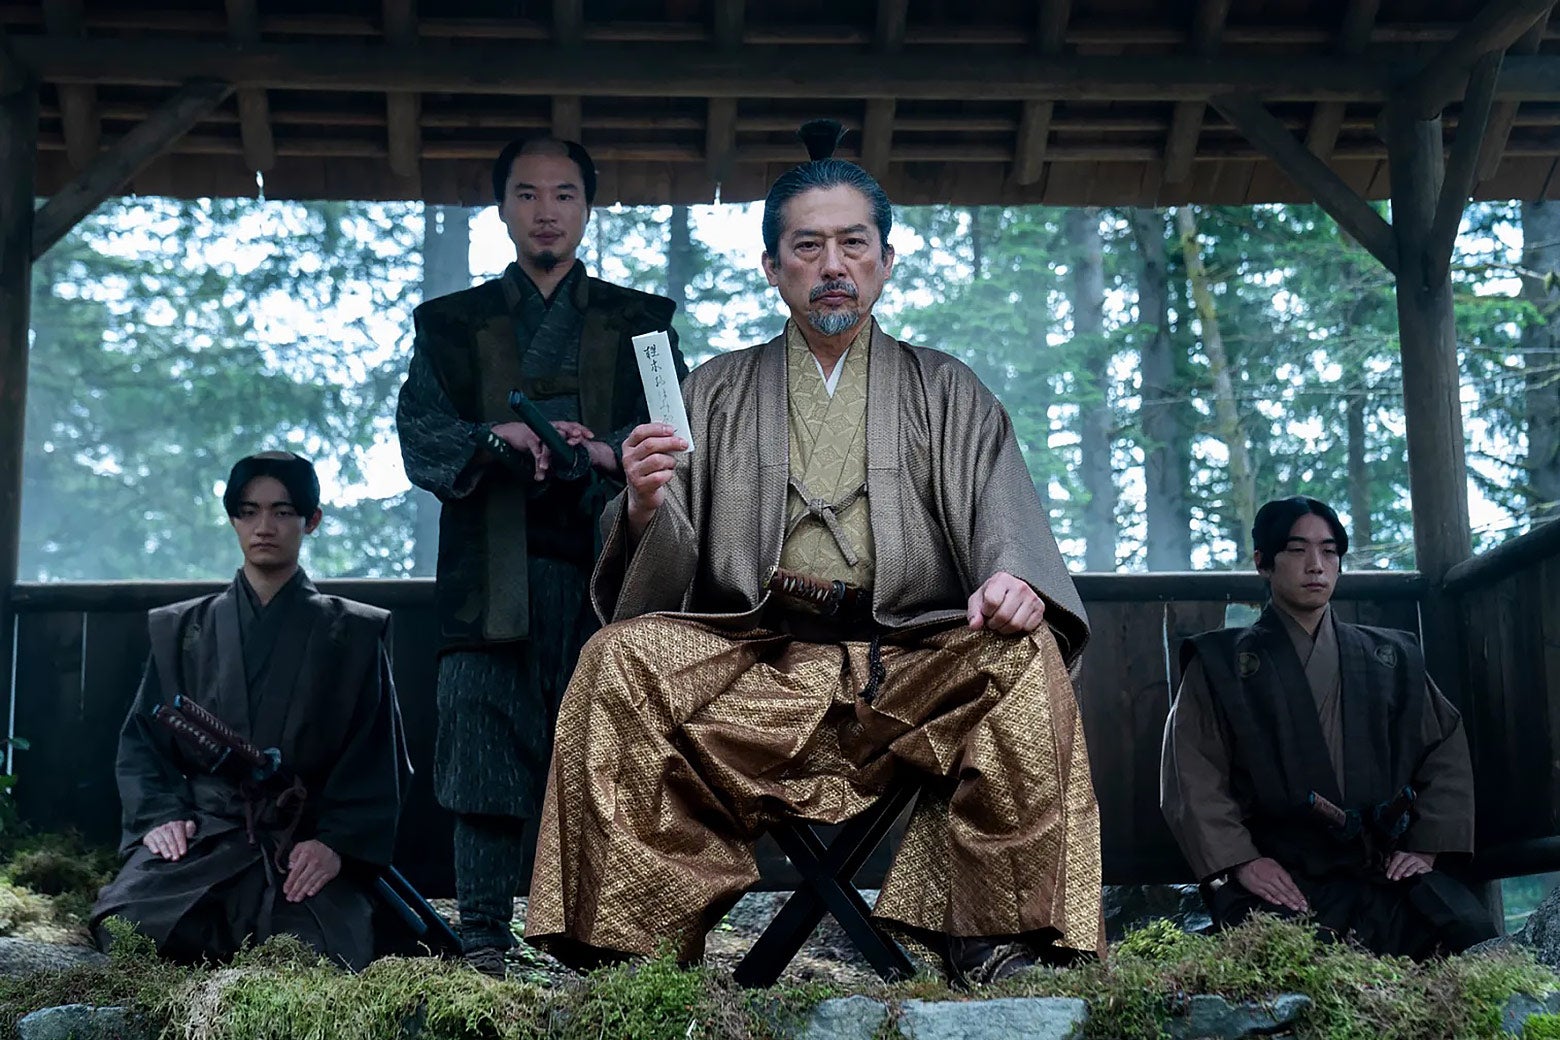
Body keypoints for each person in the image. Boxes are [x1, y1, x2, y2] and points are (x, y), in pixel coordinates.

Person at [523, 122, 1103, 986]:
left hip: (908, 660)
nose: (833, 264)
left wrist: (1014, 582)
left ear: (885, 260)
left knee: (1026, 653)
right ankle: (632, 946)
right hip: (756, 658)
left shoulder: (947, 389)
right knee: (616, 660)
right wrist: (644, 507)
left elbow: (1003, 529)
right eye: (808, 246)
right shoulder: (713, 390)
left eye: (853, 244)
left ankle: (996, 935)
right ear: (773, 268)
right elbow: (658, 579)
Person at [395, 136, 686, 975]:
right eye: (527, 194)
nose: (546, 211)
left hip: (607, 572)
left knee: (608, 750)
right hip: (490, 577)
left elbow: (678, 430)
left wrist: (610, 452)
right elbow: (421, 436)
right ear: (504, 209)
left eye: (563, 194)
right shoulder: (449, 326)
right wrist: (499, 436)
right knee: (480, 736)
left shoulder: (642, 321)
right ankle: (483, 932)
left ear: (587, 209)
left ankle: (603, 937)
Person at [91, 452, 408, 969]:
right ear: (233, 518)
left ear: (312, 520)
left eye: (283, 512)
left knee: (315, 951)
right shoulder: (182, 630)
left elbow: (377, 757)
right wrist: (162, 816)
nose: (265, 527)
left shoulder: (352, 633)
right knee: (129, 926)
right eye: (249, 510)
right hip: (206, 834)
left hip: (298, 839)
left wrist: (334, 845)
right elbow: (144, 742)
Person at [1160, 495, 1496, 958]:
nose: (1316, 565)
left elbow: (1444, 749)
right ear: (1263, 563)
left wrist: (1426, 848)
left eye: (1330, 551)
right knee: (1287, 957)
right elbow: (1193, 775)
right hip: (1281, 869)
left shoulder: (1389, 657)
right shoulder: (1224, 664)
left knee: (1468, 934)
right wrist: (1241, 861)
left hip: (1377, 867)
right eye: (1297, 550)